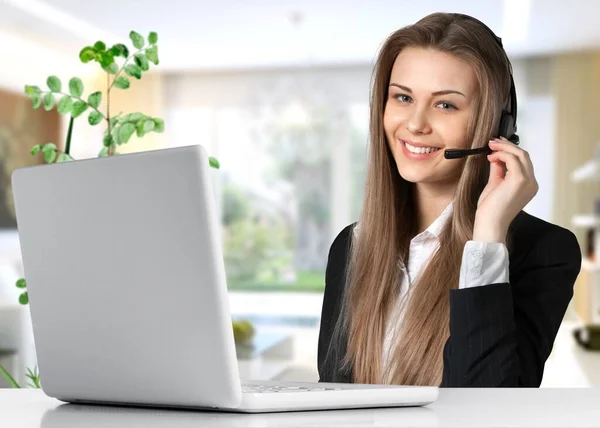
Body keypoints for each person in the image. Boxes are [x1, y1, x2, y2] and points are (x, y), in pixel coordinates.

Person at [317, 12, 582, 388]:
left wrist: (487, 238)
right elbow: (333, 395)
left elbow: (488, 404)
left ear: (496, 127)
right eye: (403, 97)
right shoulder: (351, 246)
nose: (415, 124)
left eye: (445, 105)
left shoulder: (544, 251)